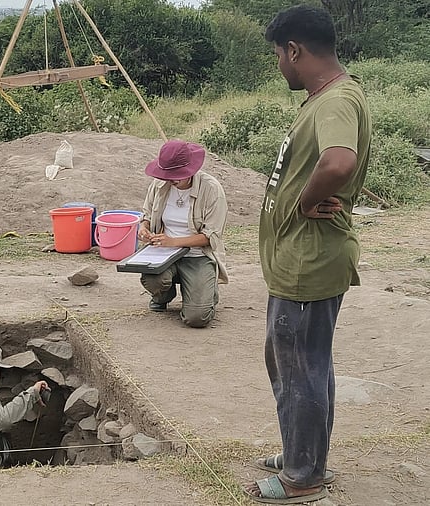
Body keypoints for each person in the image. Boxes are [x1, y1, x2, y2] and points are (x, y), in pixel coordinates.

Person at [244, 5, 372, 504]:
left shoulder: (336, 101)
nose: (280, 65)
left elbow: (339, 162)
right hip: (300, 262)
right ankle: (306, 453)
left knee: (301, 369)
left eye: (279, 55)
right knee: (303, 365)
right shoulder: (330, 97)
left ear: (294, 50)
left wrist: (305, 199)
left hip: (308, 262)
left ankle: (303, 477)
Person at [137, 139, 229, 328]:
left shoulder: (211, 189)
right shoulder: (159, 185)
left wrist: (174, 242)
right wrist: (144, 229)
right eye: (167, 175)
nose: (171, 180)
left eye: (176, 175)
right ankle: (164, 294)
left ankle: (206, 291)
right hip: (163, 253)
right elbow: (146, 214)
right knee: (151, 277)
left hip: (198, 255)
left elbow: (210, 237)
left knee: (197, 318)